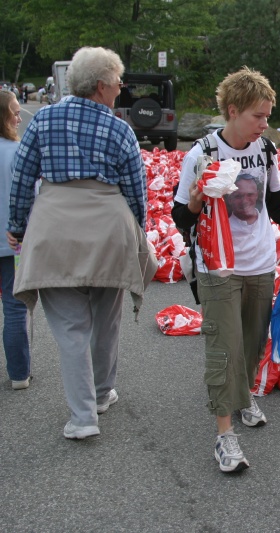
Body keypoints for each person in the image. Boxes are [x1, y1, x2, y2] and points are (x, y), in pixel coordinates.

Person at [6, 46, 157, 440]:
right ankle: (103, 393)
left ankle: (83, 417)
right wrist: (137, 234)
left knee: (71, 328)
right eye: (118, 83)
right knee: (107, 321)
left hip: (55, 230)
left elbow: (22, 177)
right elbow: (136, 192)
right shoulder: (120, 129)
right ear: (102, 86)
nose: (121, 89)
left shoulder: (42, 120)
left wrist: (17, 226)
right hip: (109, 232)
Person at [173, 67, 280, 473]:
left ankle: (245, 396)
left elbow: (277, 200)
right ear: (233, 111)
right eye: (258, 116)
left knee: (251, 344)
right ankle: (224, 435)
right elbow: (180, 216)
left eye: (267, 116)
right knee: (224, 347)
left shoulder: (264, 150)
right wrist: (197, 199)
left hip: (260, 263)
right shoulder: (203, 154)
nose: (264, 124)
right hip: (218, 268)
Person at [0, 90, 31, 390]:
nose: (19, 118)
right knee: (14, 307)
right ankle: (19, 374)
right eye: (15, 112)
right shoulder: (17, 152)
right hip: (12, 241)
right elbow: (31, 197)